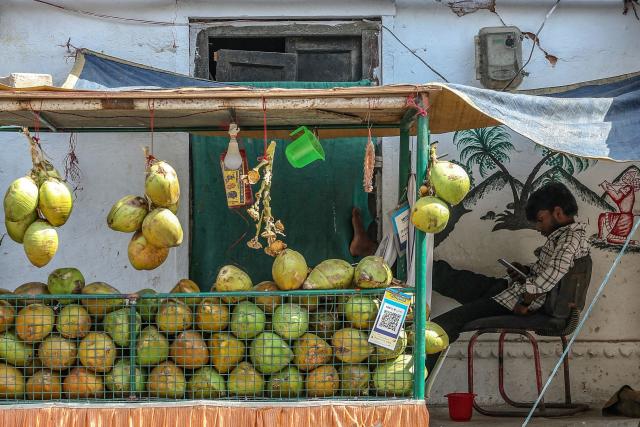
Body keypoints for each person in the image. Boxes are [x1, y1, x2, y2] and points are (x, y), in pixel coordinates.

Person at [427, 182, 590, 370]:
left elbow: (548, 279)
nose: (538, 228)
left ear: (558, 213)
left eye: (540, 220)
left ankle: (417, 379)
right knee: (458, 280)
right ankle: (420, 270)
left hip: (517, 301)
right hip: (512, 290)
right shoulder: (566, 237)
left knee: (446, 324)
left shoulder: (569, 238)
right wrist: (525, 271)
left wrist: (525, 304)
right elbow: (549, 272)